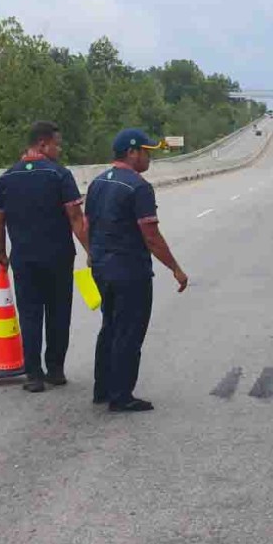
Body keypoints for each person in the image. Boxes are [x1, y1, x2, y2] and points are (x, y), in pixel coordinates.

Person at [85, 128, 189, 412]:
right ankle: (121, 395)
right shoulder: (138, 187)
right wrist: (175, 269)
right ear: (132, 152)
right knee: (129, 332)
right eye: (146, 151)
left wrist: (93, 255)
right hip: (130, 271)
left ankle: (102, 388)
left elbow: (87, 225)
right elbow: (151, 236)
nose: (149, 157)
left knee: (109, 327)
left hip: (102, 268)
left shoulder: (97, 183)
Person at [0, 121, 89, 393]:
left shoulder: (7, 178)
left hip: (24, 259)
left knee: (30, 315)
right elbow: (75, 218)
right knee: (58, 313)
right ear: (43, 144)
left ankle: (34, 375)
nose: (59, 150)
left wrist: (1, 254)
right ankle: (55, 370)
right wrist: (92, 252)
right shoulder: (60, 175)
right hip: (58, 258)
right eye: (57, 145)